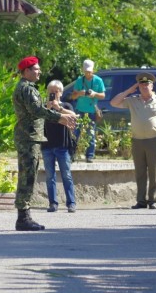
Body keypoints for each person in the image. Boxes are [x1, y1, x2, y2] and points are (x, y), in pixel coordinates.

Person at [13, 56, 77, 231]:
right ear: (26, 71)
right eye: (35, 69)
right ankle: (23, 218)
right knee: (27, 177)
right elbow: (36, 110)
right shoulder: (26, 88)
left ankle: (24, 216)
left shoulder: (26, 88)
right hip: (29, 137)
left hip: (30, 136)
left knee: (28, 176)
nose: (39, 71)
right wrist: (60, 117)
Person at [110, 72, 156, 209]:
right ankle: (141, 201)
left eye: (147, 83)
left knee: (154, 172)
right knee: (140, 172)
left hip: (153, 140)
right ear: (138, 86)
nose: (144, 86)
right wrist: (129, 90)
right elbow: (114, 102)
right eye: (141, 84)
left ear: (152, 85)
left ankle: (153, 200)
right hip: (137, 141)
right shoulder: (132, 100)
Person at [42, 80, 77, 213]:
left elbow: (73, 116)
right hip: (47, 146)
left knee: (66, 175)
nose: (53, 94)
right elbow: (38, 119)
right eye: (51, 91)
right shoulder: (44, 108)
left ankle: (71, 202)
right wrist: (48, 108)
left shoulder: (66, 105)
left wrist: (58, 108)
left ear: (61, 93)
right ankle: (53, 203)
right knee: (49, 176)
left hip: (62, 145)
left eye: (56, 91)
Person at [71, 59, 105, 163]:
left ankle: (90, 155)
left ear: (93, 70)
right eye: (86, 71)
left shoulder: (98, 81)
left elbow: (103, 96)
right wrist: (80, 93)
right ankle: (71, 154)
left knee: (91, 133)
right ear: (83, 70)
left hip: (91, 111)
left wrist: (94, 94)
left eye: (89, 71)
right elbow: (72, 97)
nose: (88, 73)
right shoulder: (79, 81)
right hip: (80, 110)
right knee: (75, 133)